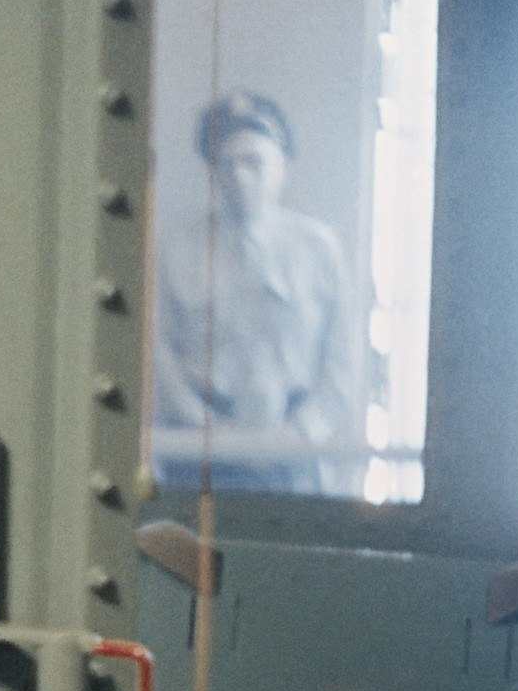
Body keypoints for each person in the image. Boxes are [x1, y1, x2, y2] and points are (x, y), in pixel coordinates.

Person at [151, 90, 362, 494]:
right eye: (226, 164)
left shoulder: (319, 249)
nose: (240, 177)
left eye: (254, 162)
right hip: (202, 454)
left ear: (284, 165)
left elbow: (341, 363)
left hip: (295, 455)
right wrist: (208, 428)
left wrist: (301, 431)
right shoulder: (181, 249)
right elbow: (160, 354)